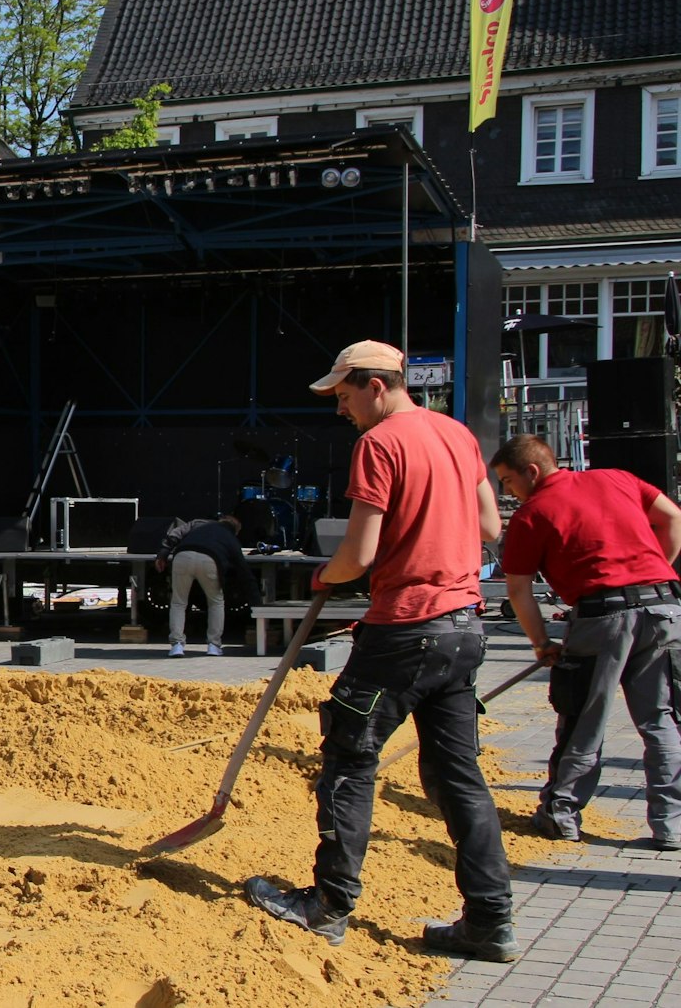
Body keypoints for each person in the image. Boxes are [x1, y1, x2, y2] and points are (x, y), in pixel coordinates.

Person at [243, 339, 517, 962]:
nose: (342, 411)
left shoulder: (380, 444)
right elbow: (488, 527)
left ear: (376, 385)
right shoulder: (456, 435)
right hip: (464, 629)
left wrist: (325, 576)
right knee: (458, 777)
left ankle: (328, 905)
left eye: (344, 396)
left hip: (404, 630)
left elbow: (358, 555)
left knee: (348, 755)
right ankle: (490, 920)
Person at [490, 433, 681, 850]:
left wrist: (542, 643)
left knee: (584, 718)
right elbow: (672, 517)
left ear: (532, 471)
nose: (507, 491)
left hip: (602, 618)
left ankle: (561, 813)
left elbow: (519, 591)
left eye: (507, 481)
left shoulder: (532, 515)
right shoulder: (618, 479)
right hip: (665, 609)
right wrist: (653, 571)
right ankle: (671, 826)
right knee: (661, 718)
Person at [154, 516, 253, 657]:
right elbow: (243, 570)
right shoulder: (229, 536)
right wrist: (257, 603)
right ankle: (213, 645)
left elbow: (175, 533)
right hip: (210, 560)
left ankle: (176, 645)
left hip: (183, 555)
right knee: (216, 602)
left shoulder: (198, 523)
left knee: (178, 602)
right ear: (235, 531)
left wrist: (163, 552)